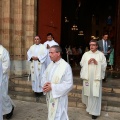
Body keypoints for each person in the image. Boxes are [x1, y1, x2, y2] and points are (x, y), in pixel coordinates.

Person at [41, 45, 73, 120]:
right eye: (49, 53)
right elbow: (44, 76)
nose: (49, 55)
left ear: (58, 53)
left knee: (59, 116)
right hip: (50, 96)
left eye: (52, 53)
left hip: (59, 98)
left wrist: (52, 87)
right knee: (52, 115)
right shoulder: (50, 65)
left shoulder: (65, 66)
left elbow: (69, 84)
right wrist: (45, 84)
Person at [80, 40, 107, 119]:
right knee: (88, 92)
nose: (91, 46)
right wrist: (87, 62)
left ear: (97, 46)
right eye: (90, 45)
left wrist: (97, 63)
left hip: (96, 78)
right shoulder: (86, 54)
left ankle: (95, 112)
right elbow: (81, 63)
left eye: (93, 45)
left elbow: (104, 65)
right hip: (88, 77)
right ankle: (89, 107)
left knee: (95, 94)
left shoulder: (101, 55)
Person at [0, 44, 15, 119]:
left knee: (3, 96)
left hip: (2, 78)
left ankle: (10, 108)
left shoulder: (3, 52)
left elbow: (6, 65)